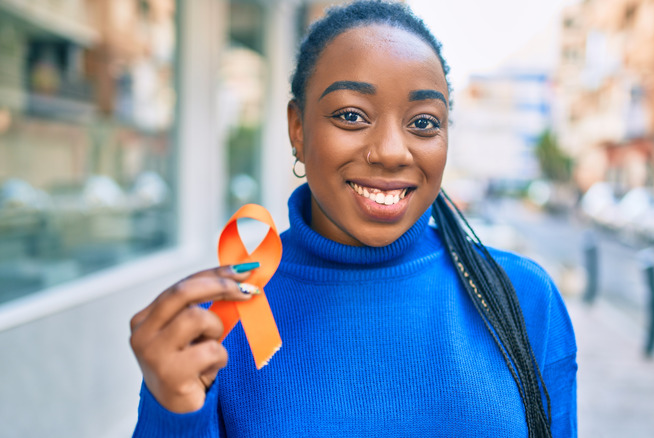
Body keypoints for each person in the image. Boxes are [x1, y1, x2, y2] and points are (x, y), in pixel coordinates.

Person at [129, 1, 577, 436]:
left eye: (423, 123)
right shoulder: (216, 324)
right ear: (298, 129)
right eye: (351, 116)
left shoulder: (522, 298)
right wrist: (172, 411)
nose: (390, 151)